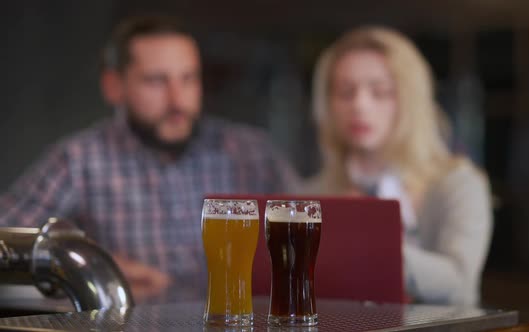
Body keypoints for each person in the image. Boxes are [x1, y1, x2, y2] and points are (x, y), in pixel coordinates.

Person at [0, 15, 298, 303]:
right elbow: (5, 244)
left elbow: (310, 249)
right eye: (156, 81)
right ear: (114, 86)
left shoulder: (252, 154)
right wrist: (89, 271)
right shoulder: (79, 161)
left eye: (188, 78)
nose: (178, 99)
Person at [304, 26, 492, 305]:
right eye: (345, 92)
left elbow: (460, 284)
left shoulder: (458, 184)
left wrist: (371, 245)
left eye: (380, 92)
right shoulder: (313, 193)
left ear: (410, 100)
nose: (360, 105)